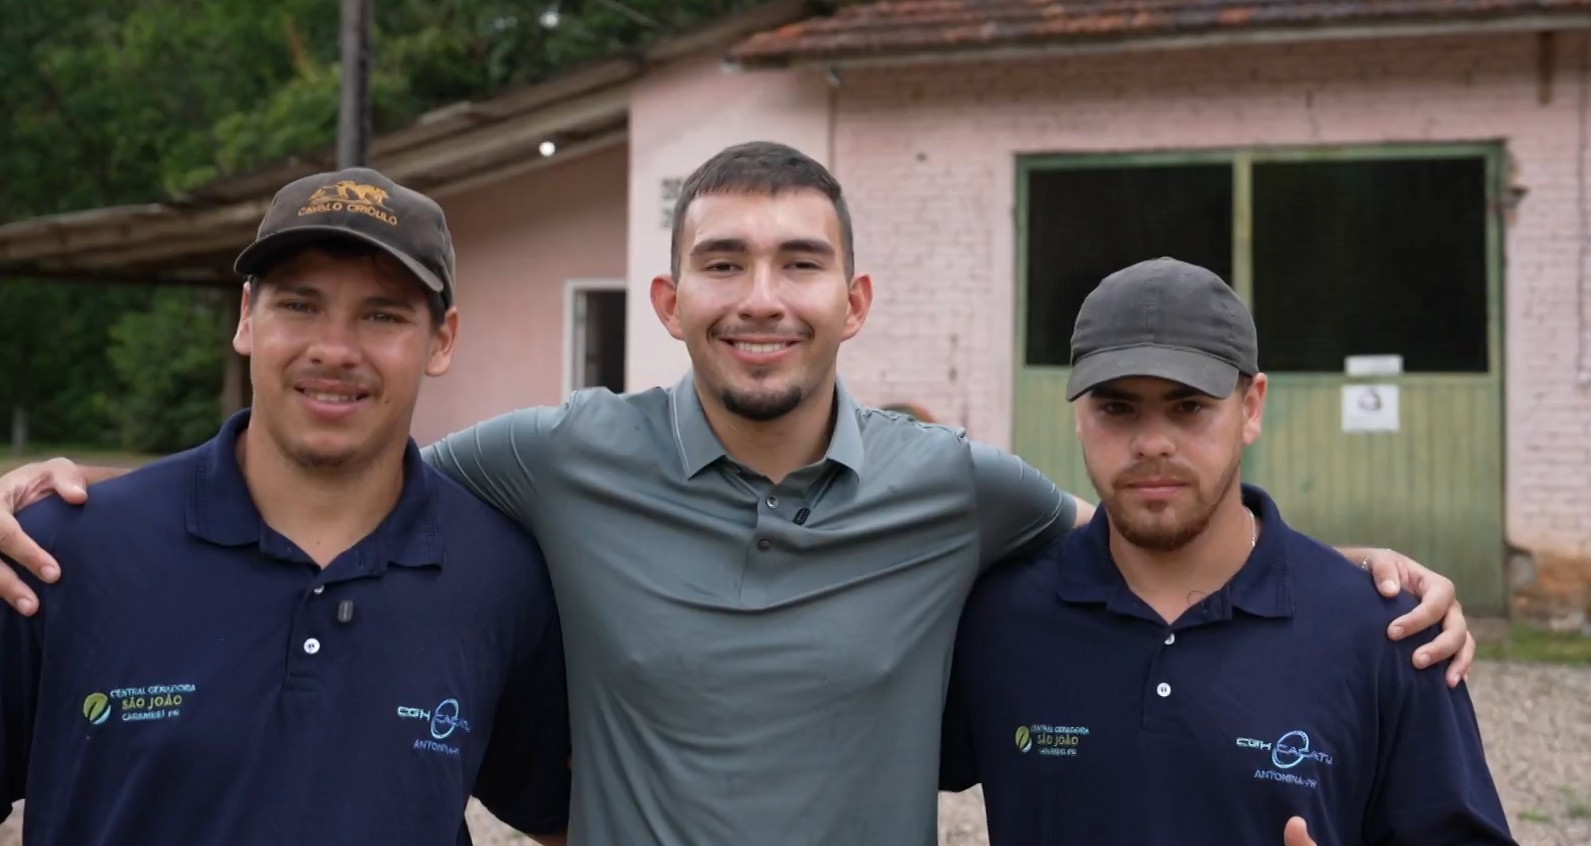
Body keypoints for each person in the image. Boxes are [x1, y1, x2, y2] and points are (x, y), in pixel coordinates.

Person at [0, 144, 1474, 845]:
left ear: (854, 298)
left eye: (795, 263)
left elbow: (1152, 530)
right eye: (722, 262)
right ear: (665, 294)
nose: (757, 297)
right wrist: (63, 498)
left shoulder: (963, 494)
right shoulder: (546, 464)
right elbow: (336, 470)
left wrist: (1339, 579)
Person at [0, 168, 572, 845]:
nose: (333, 350)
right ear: (247, 317)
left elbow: (564, 816)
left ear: (441, 339)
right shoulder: (54, 554)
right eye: (300, 306)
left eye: (382, 315)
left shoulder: (501, 577)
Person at [938, 258, 1515, 846]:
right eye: (1117, 408)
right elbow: (859, 782)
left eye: (1189, 406)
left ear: (1252, 407)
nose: (1153, 442)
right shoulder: (999, 619)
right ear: (1080, 418)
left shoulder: (1387, 635)